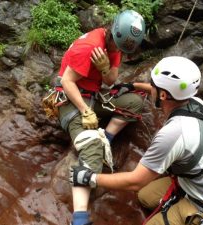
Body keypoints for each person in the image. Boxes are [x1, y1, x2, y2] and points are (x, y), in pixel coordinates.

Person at [69, 56, 203, 225]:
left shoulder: (173, 134)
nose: (150, 88)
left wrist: (89, 177)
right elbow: (164, 91)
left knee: (141, 189)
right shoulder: (197, 103)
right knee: (145, 197)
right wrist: (132, 86)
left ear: (164, 96)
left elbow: (135, 181)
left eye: (153, 86)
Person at [56, 9, 147, 225]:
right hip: (70, 99)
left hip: (94, 96)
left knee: (134, 103)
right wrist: (85, 111)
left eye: (122, 49)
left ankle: (107, 137)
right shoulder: (89, 47)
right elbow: (67, 82)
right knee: (91, 146)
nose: (118, 50)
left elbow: (110, 80)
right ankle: (79, 218)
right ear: (112, 32)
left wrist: (105, 67)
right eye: (117, 45)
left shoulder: (118, 42)